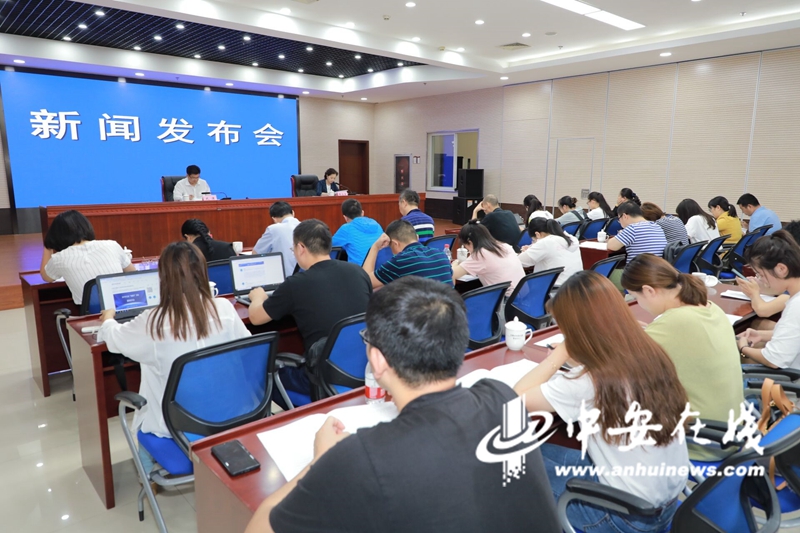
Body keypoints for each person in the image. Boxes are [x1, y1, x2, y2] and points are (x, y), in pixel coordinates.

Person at [245, 277, 560, 533]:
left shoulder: (361, 457)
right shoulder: (501, 397)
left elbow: (259, 528)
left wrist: (321, 461)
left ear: (377, 360)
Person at [514, 271, 688, 533]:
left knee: (512, 464)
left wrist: (561, 351)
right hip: (665, 503)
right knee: (539, 449)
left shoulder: (590, 380)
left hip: (624, 518)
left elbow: (516, 398)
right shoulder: (649, 351)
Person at [97, 241, 250, 472]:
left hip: (177, 428)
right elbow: (247, 349)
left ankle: (146, 476)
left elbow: (115, 340)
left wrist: (108, 319)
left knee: (143, 412)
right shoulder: (224, 308)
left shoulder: (154, 321)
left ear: (164, 277)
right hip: (230, 415)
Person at [621, 254, 744, 461]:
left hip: (700, 440)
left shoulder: (673, 322)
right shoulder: (709, 307)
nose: (639, 304)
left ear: (649, 291)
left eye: (636, 297)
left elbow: (616, 364)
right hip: (731, 430)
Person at [248, 220, 372, 400]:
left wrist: (258, 297)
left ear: (301, 248)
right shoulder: (358, 272)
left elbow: (255, 317)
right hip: (364, 369)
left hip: (320, 379)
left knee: (260, 374)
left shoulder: (296, 284)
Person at [40, 210, 135, 305]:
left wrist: (48, 246)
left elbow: (46, 277)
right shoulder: (112, 245)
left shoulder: (59, 259)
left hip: (92, 313)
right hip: (124, 307)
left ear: (57, 235)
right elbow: (133, 273)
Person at [737, 231, 800, 369]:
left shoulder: (796, 305)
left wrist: (743, 348)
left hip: (791, 377)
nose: (761, 281)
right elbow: (794, 335)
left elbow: (773, 360)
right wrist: (760, 335)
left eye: (761, 274)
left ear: (781, 269)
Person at [363, 219, 452, 288]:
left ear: (395, 244)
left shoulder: (400, 261)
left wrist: (375, 247)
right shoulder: (441, 254)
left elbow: (365, 281)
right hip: (449, 305)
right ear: (417, 237)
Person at [451, 222, 525, 296]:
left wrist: (455, 263)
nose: (468, 251)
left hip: (507, 299)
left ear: (470, 242)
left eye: (465, 246)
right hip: (524, 296)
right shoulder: (504, 246)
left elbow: (452, 274)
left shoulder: (480, 254)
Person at [518, 218, 582, 287]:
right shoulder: (571, 239)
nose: (533, 243)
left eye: (533, 240)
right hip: (576, 286)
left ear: (537, 234)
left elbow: (519, 261)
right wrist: (532, 248)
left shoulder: (545, 242)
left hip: (555, 288)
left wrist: (525, 252)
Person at [331, 198, 383, 266]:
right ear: (362, 213)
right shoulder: (376, 224)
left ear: (345, 218)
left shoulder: (347, 228)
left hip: (360, 270)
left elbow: (329, 245)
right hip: (381, 269)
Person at [253, 201, 301, 275]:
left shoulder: (273, 229)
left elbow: (256, 253)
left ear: (274, 218)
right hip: (306, 277)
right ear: (293, 213)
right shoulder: (306, 226)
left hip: (284, 278)